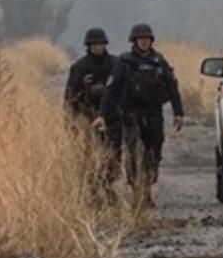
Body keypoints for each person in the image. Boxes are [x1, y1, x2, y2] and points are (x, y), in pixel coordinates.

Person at [95, 24, 185, 205]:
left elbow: (171, 86)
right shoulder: (125, 62)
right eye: (140, 38)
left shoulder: (158, 61)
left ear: (151, 41)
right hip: (130, 113)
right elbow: (111, 89)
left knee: (154, 149)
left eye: (147, 38)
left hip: (153, 112)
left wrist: (178, 113)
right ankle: (137, 189)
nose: (144, 41)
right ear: (134, 41)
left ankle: (148, 185)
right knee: (134, 150)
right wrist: (102, 115)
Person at [65, 27, 122, 189]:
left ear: (105, 44)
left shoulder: (116, 64)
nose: (98, 47)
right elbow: (70, 96)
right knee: (90, 153)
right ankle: (94, 186)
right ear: (88, 46)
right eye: (94, 44)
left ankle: (108, 183)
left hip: (112, 116)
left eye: (101, 44)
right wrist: (69, 120)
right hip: (87, 115)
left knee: (114, 153)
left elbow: (123, 90)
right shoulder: (79, 67)